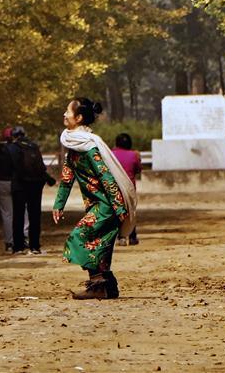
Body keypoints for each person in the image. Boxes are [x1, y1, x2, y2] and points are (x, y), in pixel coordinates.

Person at [53, 98, 137, 300]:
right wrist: (58, 205)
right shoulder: (74, 147)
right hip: (96, 205)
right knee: (101, 245)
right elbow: (66, 179)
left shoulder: (90, 147)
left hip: (106, 206)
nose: (64, 114)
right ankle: (108, 287)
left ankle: (98, 285)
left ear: (79, 117)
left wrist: (118, 208)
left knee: (78, 237)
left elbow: (106, 177)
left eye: (68, 111)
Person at [10, 126, 54, 255]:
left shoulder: (12, 148)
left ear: (13, 136)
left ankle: (18, 246)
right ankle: (35, 246)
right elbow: (40, 166)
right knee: (34, 216)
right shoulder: (33, 146)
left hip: (19, 185)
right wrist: (47, 178)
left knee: (18, 215)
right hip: (35, 185)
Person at [0, 127, 26, 252]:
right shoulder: (18, 149)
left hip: (2, 182)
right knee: (22, 211)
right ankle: (23, 236)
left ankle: (9, 241)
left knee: (7, 214)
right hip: (16, 182)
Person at [112, 133, 141, 246]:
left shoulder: (111, 154)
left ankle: (120, 237)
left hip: (114, 187)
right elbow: (138, 169)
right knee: (131, 212)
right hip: (129, 188)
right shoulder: (134, 155)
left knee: (117, 212)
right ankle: (132, 237)